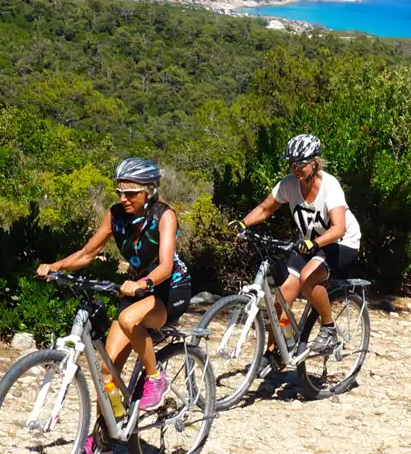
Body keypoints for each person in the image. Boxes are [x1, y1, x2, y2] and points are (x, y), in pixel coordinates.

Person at [36, 158, 191, 453]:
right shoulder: (116, 215)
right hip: (136, 292)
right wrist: (55, 268)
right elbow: (87, 253)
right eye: (120, 191)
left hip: (170, 290)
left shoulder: (164, 216)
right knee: (107, 373)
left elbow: (166, 264)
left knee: (130, 319)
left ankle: (156, 380)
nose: (123, 198)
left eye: (131, 192)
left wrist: (144, 283)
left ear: (149, 191)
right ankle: (106, 431)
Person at [229, 134, 361, 359]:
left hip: (341, 242)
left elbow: (338, 228)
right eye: (292, 164)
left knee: (308, 279)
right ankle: (275, 352)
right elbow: (265, 209)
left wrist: (315, 243)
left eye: (300, 164)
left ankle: (328, 328)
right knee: (281, 299)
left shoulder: (330, 186)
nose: (295, 169)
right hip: (309, 243)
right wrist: (243, 222)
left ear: (314, 162)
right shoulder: (288, 185)